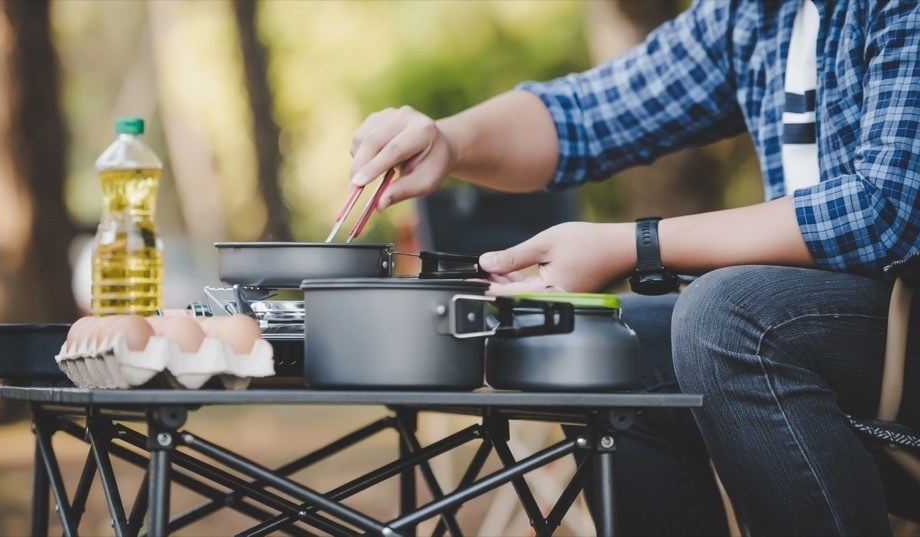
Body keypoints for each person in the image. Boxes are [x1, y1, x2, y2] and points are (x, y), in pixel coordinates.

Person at [347, 1, 919, 535]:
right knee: (611, 344)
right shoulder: (750, 17)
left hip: (904, 325)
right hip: (833, 329)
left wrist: (637, 244)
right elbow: (587, 115)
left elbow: (879, 209)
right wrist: (449, 139)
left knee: (727, 316)